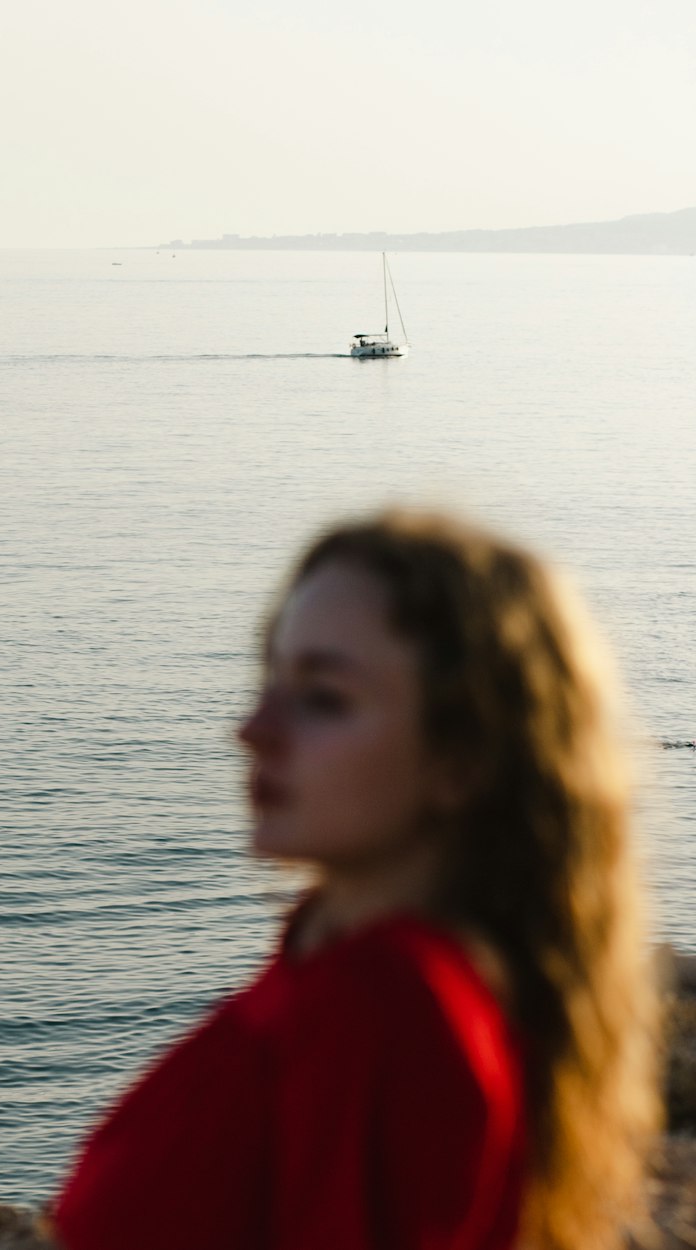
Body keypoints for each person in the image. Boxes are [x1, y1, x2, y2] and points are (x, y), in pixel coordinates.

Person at [47, 509, 661, 1250]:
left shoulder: (389, 1006)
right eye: (270, 679)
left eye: (323, 698)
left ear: (460, 760)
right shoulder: (345, 981)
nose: (253, 729)